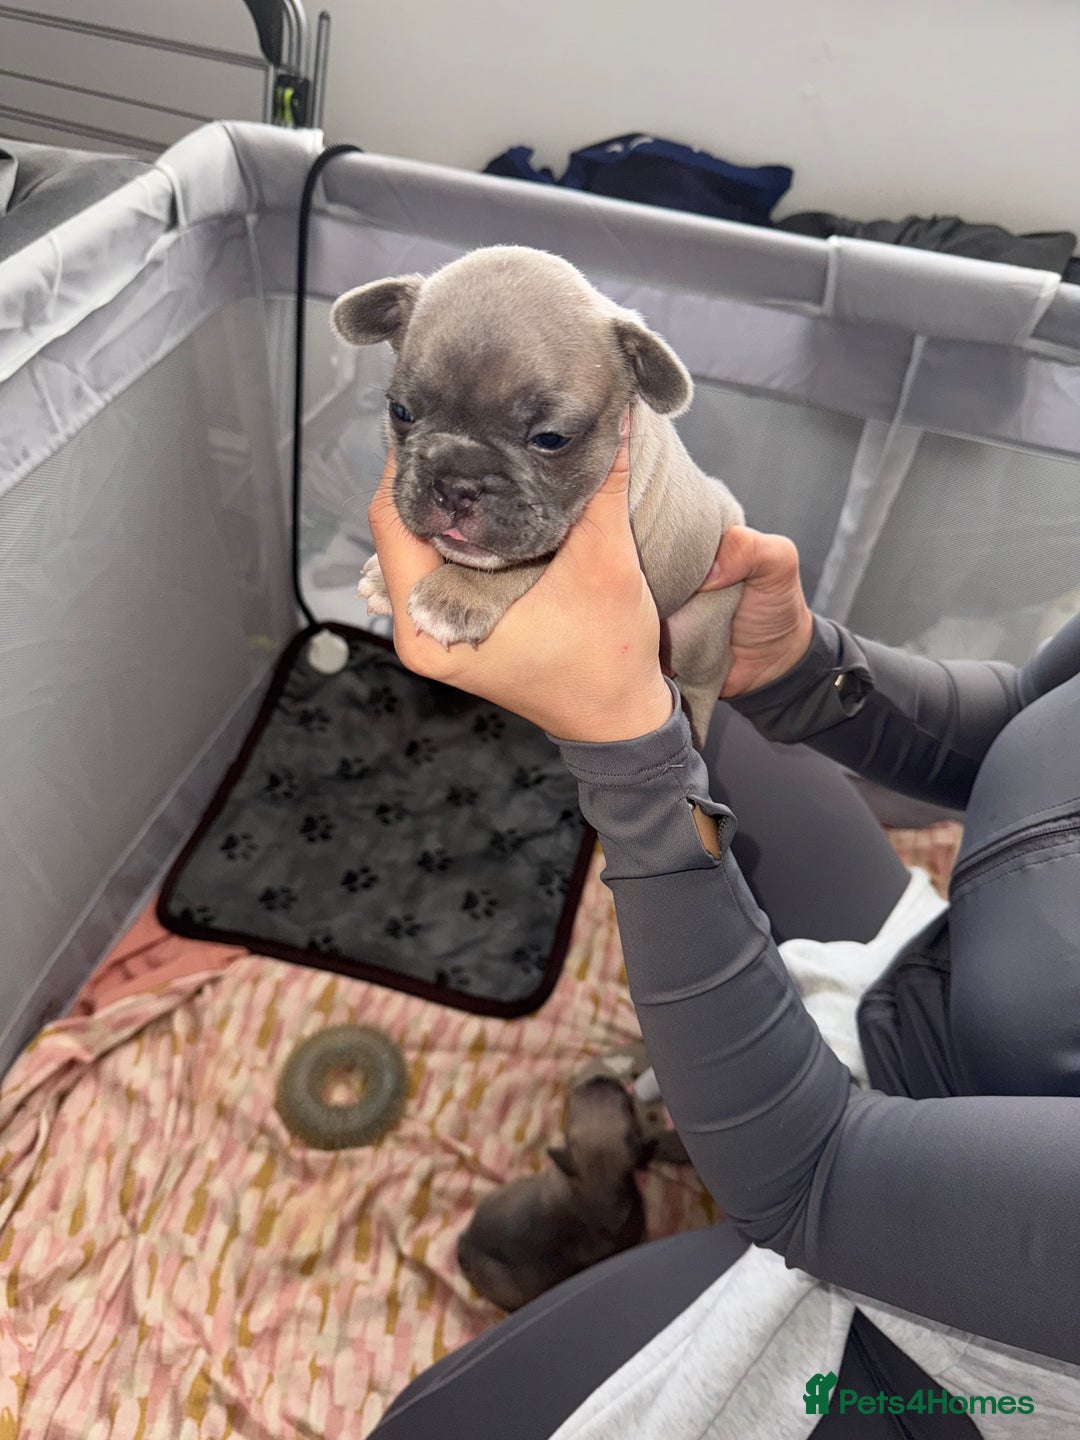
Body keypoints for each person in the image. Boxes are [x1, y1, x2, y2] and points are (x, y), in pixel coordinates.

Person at [365, 419, 1080, 1438]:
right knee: (692, 671)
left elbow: (816, 1175)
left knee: (425, 1429)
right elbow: (1029, 714)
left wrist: (629, 759)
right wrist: (801, 666)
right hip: (937, 1005)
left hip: (948, 1330)